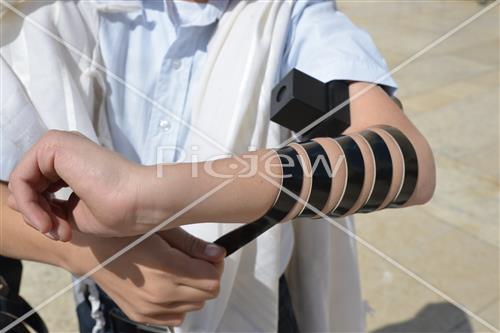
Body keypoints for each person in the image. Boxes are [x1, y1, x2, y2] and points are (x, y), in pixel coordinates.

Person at [1, 0, 435, 332]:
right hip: (105, 296)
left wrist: (144, 195)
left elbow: (407, 163)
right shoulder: (39, 12)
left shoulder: (293, 14)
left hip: (253, 302)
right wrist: (93, 255)